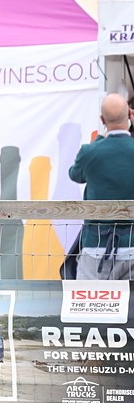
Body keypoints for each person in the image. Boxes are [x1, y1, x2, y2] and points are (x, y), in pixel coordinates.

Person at [68, 93, 134, 280]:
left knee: (88, 306)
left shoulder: (89, 152)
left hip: (96, 244)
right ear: (129, 115)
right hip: (132, 244)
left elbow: (74, 174)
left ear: (102, 120)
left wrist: (99, 138)